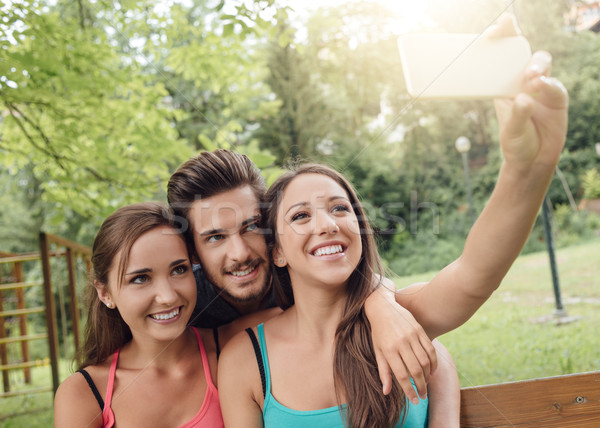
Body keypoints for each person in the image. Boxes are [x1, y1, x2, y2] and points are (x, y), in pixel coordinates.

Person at [217, 18, 568, 428]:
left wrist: (526, 169)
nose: (327, 224)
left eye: (339, 208)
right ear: (276, 251)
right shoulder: (246, 359)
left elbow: (476, 273)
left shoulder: (406, 316)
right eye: (299, 216)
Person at [53, 203, 277, 428]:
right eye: (141, 278)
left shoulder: (237, 346)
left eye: (179, 270)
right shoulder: (85, 394)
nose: (168, 297)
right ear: (105, 293)